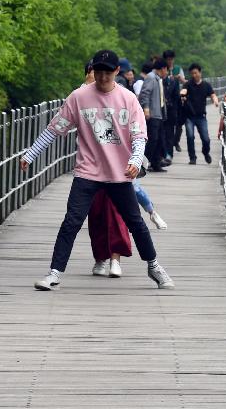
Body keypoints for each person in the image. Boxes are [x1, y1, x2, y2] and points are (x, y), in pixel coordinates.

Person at [21, 49, 174, 290]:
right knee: (71, 221)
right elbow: (55, 129)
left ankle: (154, 266)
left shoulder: (127, 99)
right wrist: (31, 154)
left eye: (107, 72)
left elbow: (139, 136)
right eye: (98, 72)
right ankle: (54, 273)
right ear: (93, 71)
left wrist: (135, 161)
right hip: (87, 173)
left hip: (119, 174)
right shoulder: (79, 97)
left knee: (136, 223)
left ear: (116, 72)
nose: (102, 77)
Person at [180, 63, 219, 165]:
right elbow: (183, 91)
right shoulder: (188, 84)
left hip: (201, 116)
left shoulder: (206, 85)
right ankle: (192, 158)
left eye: (196, 73)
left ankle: (206, 152)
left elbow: (212, 94)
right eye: (192, 73)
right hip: (189, 116)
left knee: (206, 138)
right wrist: (183, 94)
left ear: (200, 73)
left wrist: (215, 101)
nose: (194, 75)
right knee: (190, 136)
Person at [138, 59, 169, 172]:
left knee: (159, 140)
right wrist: (146, 108)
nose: (167, 72)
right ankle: (142, 162)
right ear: (163, 68)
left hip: (158, 114)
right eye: (167, 70)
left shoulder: (157, 78)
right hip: (153, 113)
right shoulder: (151, 77)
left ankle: (156, 164)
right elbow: (145, 93)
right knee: (152, 140)